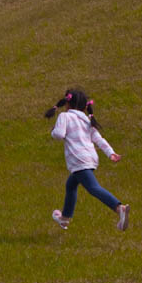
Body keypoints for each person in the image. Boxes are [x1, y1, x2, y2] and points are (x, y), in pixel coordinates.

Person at [45, 89, 129, 230]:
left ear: (67, 103)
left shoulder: (65, 116)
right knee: (71, 185)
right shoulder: (87, 121)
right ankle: (65, 218)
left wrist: (53, 131)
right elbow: (99, 139)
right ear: (85, 107)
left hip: (79, 160)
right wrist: (111, 153)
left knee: (93, 188)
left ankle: (119, 208)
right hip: (90, 158)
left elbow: (59, 134)